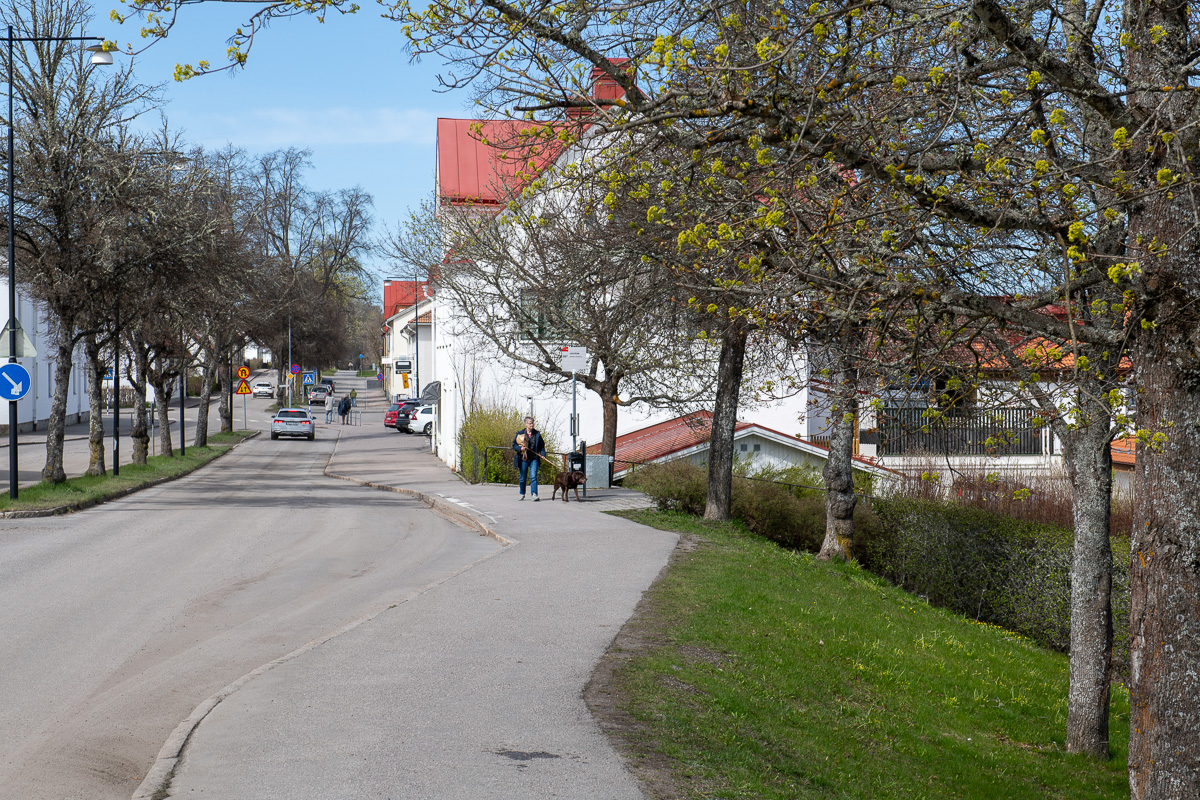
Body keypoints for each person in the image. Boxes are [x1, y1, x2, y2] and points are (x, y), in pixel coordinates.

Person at [512, 416, 546, 501]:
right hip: (524, 458)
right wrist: (520, 449)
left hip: (534, 458)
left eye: (532, 423)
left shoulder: (537, 434)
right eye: (530, 423)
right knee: (523, 477)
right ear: (525, 424)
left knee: (533, 476)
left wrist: (542, 454)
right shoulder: (520, 433)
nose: (532, 425)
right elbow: (514, 445)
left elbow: (542, 446)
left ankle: (534, 494)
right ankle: (522, 493)